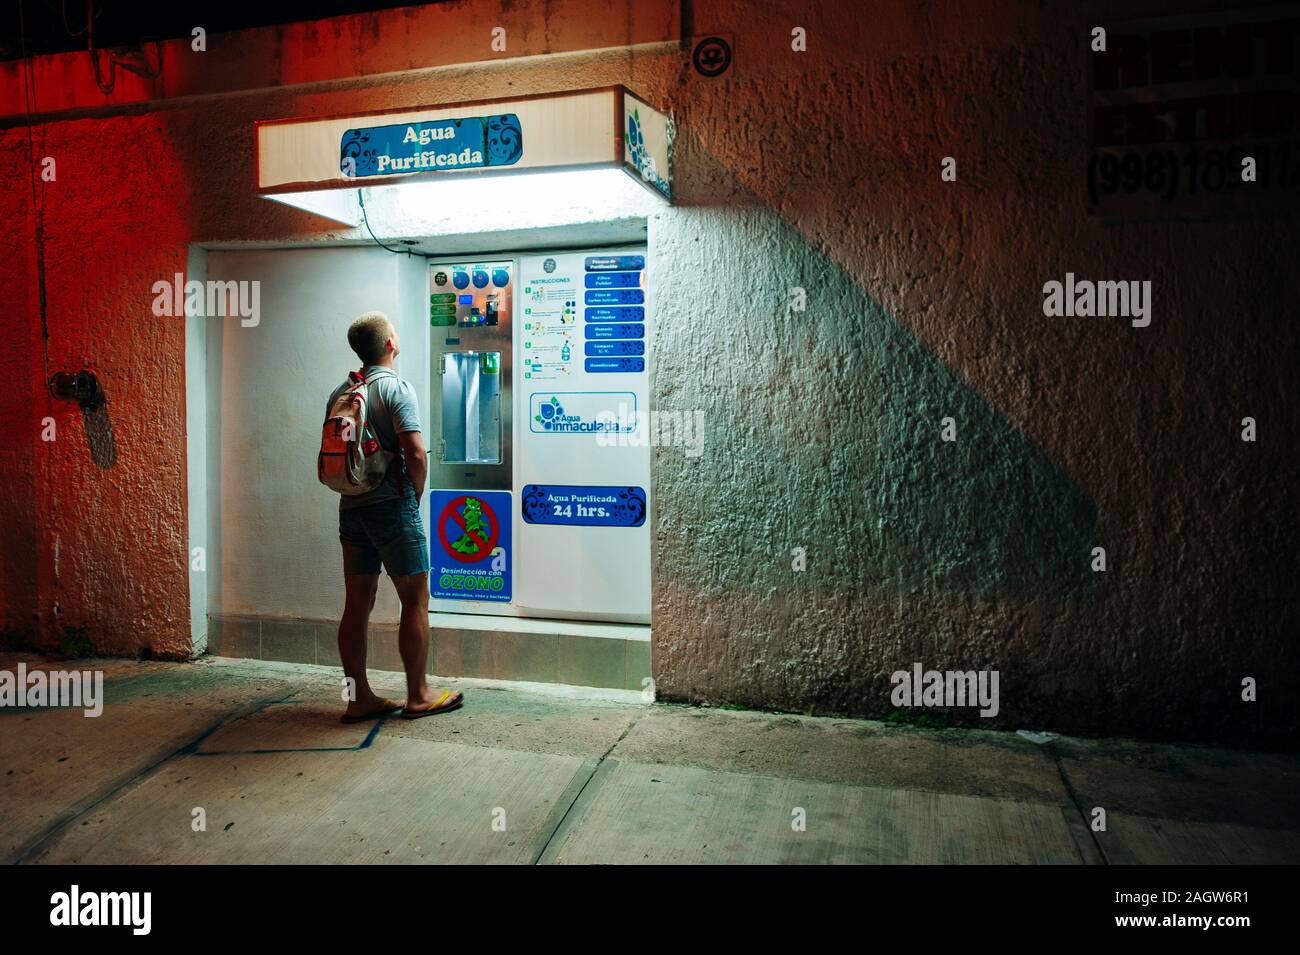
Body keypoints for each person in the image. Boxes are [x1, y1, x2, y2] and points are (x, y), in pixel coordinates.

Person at [324, 311, 463, 722]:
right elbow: (415, 453)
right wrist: (415, 495)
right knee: (415, 600)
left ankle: (357, 697)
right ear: (390, 344)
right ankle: (418, 694)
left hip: (351, 508)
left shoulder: (341, 391)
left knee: (356, 604)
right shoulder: (396, 389)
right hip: (391, 505)